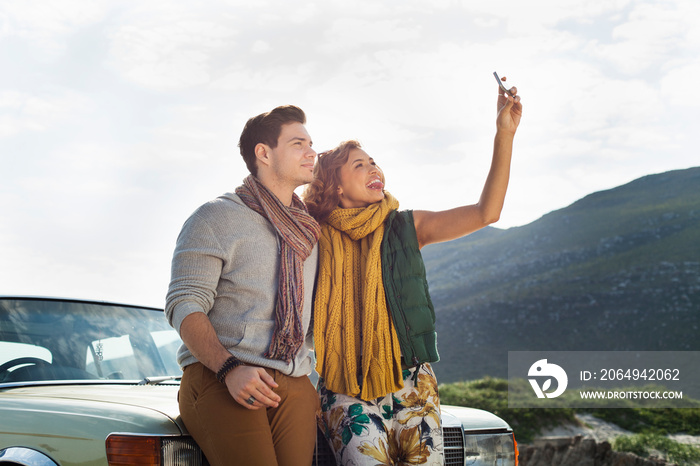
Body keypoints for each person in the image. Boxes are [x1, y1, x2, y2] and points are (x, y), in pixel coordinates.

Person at [303, 81, 522, 465]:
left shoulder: (406, 227)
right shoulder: (310, 237)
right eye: (360, 164)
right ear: (334, 186)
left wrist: (504, 134)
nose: (374, 168)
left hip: (412, 382)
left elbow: (487, 211)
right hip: (344, 384)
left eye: (374, 161)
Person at [165, 105, 321, 466]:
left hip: (294, 382)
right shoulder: (215, 217)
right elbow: (184, 304)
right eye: (298, 143)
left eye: (311, 143)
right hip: (221, 376)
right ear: (263, 153)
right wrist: (229, 368)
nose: (312, 152)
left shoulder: (311, 231)